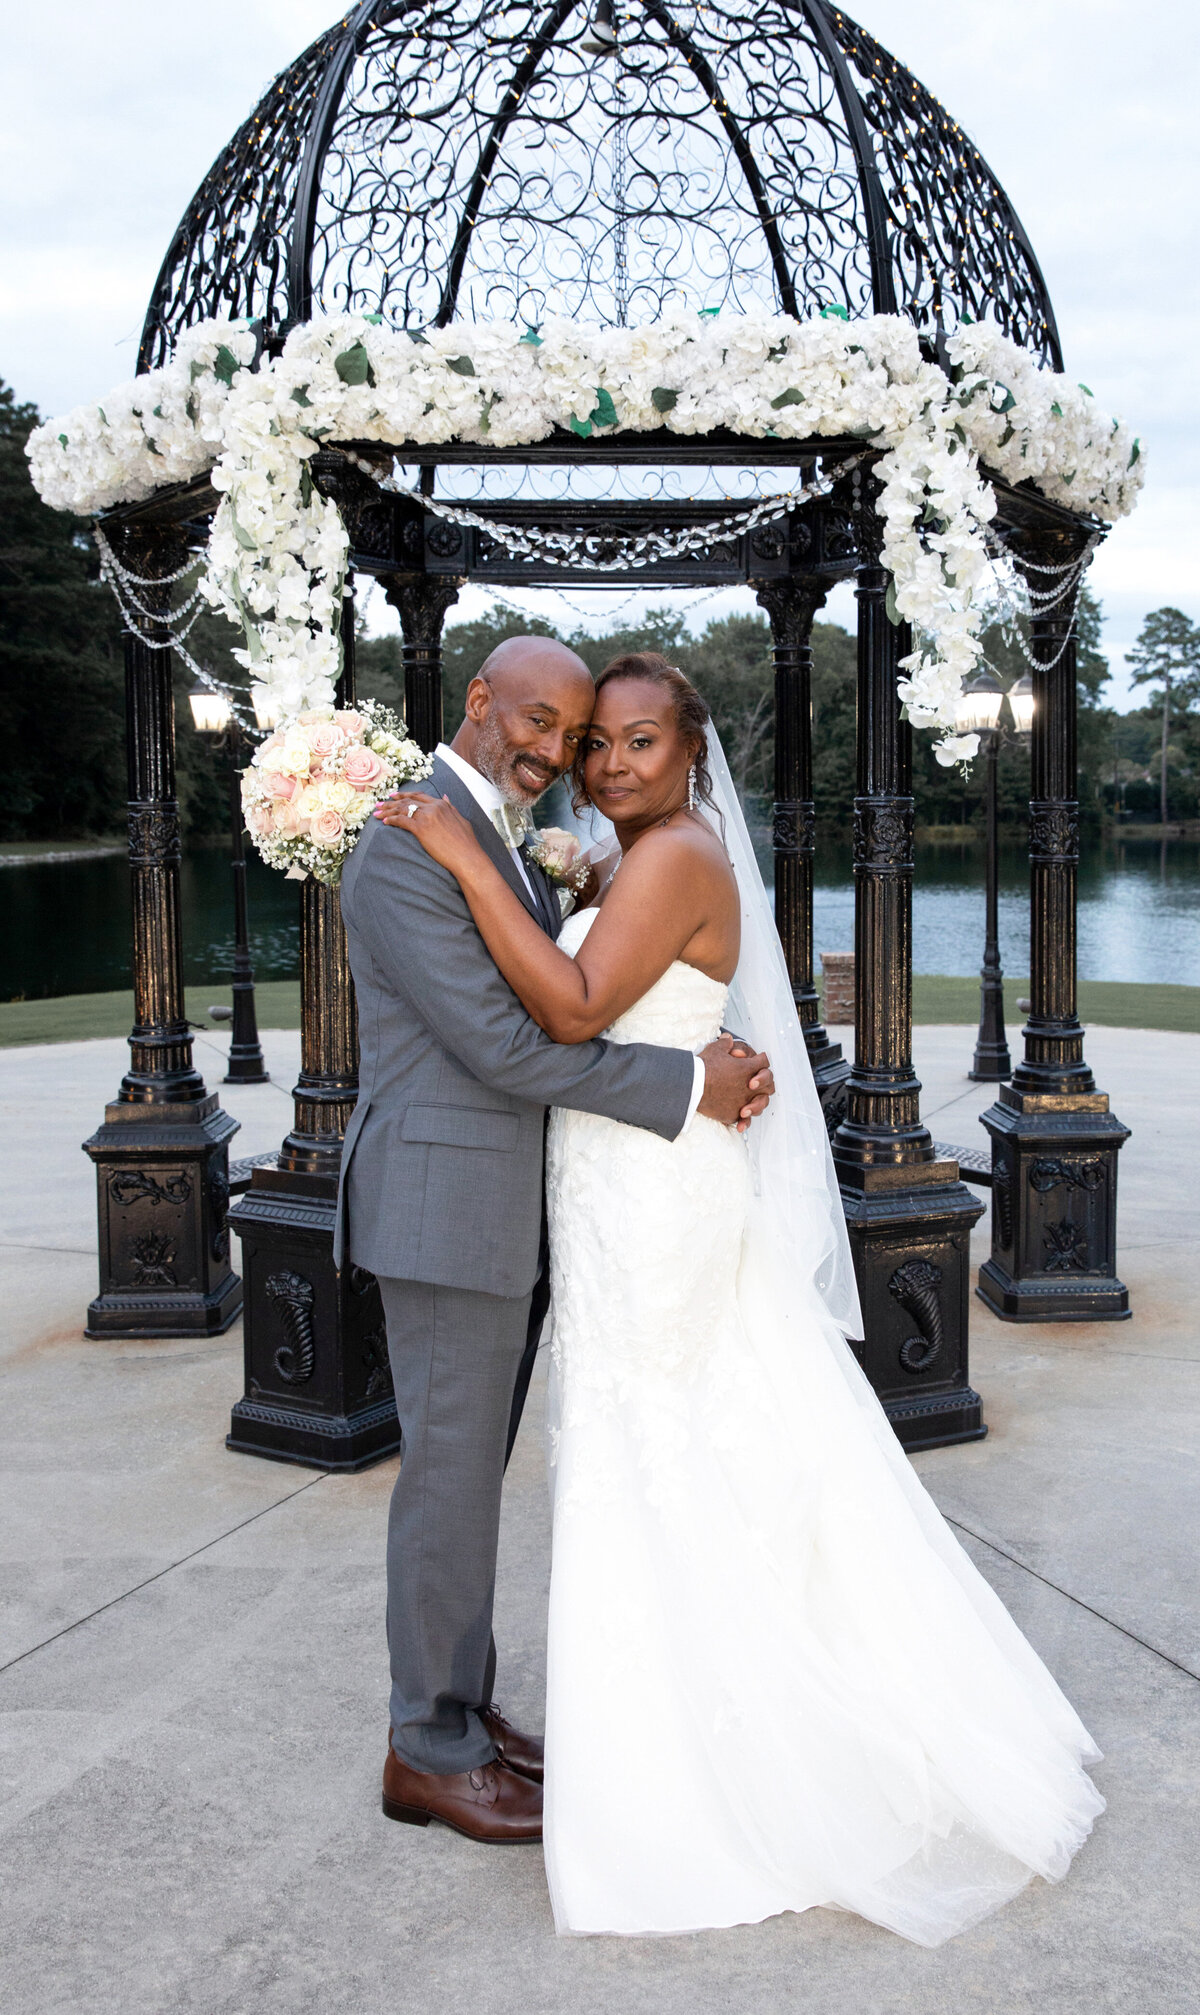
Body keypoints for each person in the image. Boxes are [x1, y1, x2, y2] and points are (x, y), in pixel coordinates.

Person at [385, 648, 1105, 1945]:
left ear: (691, 746)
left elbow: (566, 1008)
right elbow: (542, 1023)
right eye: (589, 739)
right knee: (643, 1442)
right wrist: (479, 864)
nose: (601, 761)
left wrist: (463, 856)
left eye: (632, 741)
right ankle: (528, 1726)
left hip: (653, 1193)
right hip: (610, 1184)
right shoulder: (605, 853)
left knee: (668, 1440)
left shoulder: (667, 857)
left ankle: (696, 1758)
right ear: (492, 710)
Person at [336, 636, 774, 1849]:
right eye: (538, 720)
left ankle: (460, 1714)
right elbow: (511, 1046)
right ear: (478, 700)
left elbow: (557, 986)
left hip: (508, 1207)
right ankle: (428, 1750)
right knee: (448, 1481)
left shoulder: (491, 837)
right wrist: (686, 1077)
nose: (551, 749)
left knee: (466, 1478)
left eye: (572, 734)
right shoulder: (406, 848)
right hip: (444, 1210)